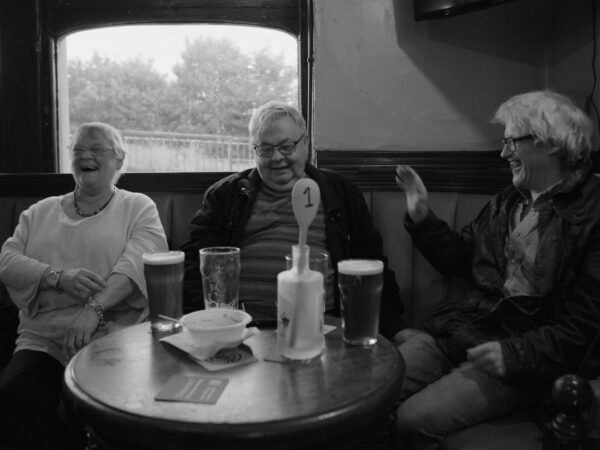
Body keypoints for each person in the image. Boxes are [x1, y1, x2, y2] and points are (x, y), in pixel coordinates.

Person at [393, 90, 600, 449]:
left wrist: (516, 354)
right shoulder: (508, 201)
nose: (504, 153)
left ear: (550, 143)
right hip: (463, 330)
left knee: (413, 421)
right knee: (374, 386)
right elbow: (462, 259)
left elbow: (585, 325)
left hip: (527, 356)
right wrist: (423, 218)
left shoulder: (594, 213)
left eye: (511, 142)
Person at [0, 122, 168, 450]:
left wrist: (94, 308)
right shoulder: (39, 212)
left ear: (119, 161)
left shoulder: (137, 206)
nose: (85, 155)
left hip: (112, 337)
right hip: (43, 340)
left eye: (96, 149)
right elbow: (6, 260)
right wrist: (56, 276)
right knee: (14, 396)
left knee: (96, 409)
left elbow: (135, 264)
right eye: (78, 149)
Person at [180, 101, 405, 340]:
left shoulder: (340, 192)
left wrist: (396, 328)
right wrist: (203, 332)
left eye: (287, 146)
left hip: (324, 328)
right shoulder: (225, 196)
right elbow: (197, 266)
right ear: (254, 150)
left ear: (305, 143)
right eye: (265, 149)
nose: (277, 157)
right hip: (241, 331)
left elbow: (370, 262)